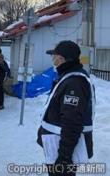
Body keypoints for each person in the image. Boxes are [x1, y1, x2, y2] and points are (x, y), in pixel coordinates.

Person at [36, 40, 96, 176]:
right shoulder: (67, 76)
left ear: (61, 58)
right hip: (56, 144)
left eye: (54, 56)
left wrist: (64, 158)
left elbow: (72, 122)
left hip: (62, 150)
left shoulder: (74, 83)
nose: (53, 59)